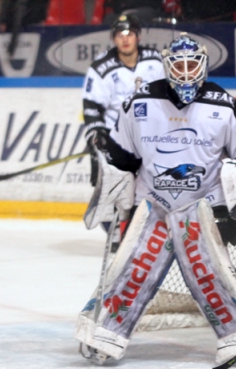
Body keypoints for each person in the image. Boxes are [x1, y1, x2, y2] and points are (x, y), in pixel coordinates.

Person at [75, 33, 236, 366]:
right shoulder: (140, 103)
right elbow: (123, 157)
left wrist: (233, 211)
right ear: (166, 66)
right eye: (179, 64)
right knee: (133, 268)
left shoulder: (225, 106)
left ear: (204, 65)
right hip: (154, 206)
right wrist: (116, 189)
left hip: (202, 208)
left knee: (210, 272)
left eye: (193, 63)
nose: (187, 71)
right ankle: (105, 332)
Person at [81, 14, 164, 250]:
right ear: (114, 38)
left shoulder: (156, 61)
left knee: (153, 186)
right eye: (120, 35)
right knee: (113, 189)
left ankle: (146, 233)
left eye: (129, 34)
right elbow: (91, 105)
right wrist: (97, 133)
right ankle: (118, 236)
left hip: (150, 136)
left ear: (138, 35)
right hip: (115, 139)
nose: (125, 39)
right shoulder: (101, 67)